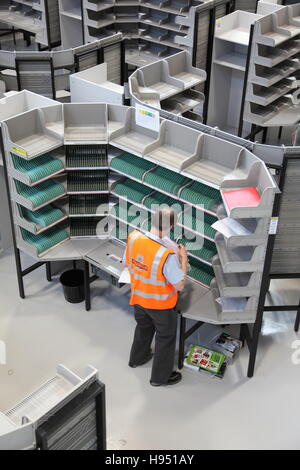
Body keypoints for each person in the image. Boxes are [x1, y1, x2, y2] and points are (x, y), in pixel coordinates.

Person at [124, 207, 188, 386]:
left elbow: (127, 263)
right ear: (172, 226)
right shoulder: (166, 256)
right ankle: (160, 378)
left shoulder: (134, 237)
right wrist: (183, 259)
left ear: (152, 220)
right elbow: (180, 285)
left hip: (138, 298)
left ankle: (137, 358)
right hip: (160, 306)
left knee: (143, 327)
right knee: (165, 338)